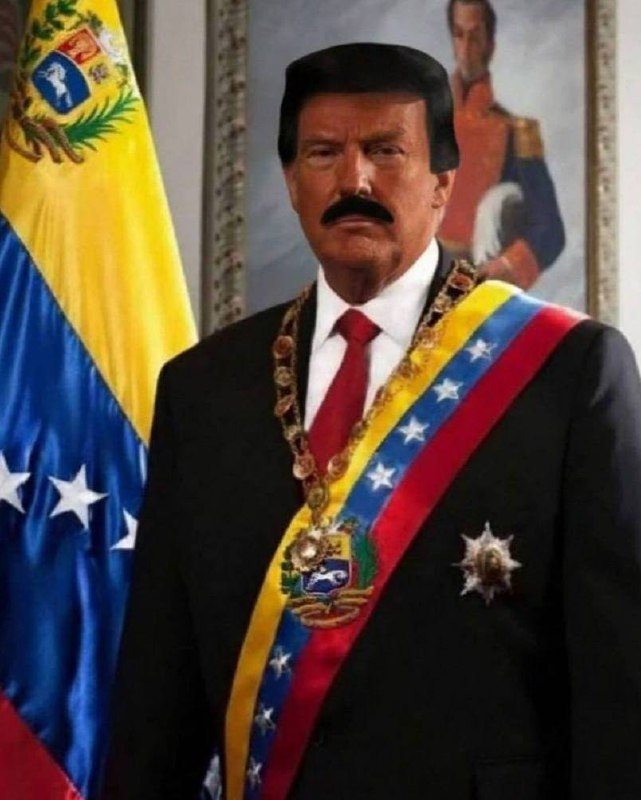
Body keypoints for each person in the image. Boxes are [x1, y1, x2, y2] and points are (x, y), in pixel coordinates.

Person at [102, 43, 641, 800]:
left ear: (442, 184)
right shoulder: (202, 388)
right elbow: (158, 696)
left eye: (386, 151)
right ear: (292, 182)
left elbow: (620, 689)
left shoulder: (568, 371)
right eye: (324, 153)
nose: (353, 180)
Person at [438, 0, 566, 289]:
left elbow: (550, 230)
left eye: (475, 36)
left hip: (480, 285)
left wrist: (504, 268)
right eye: (459, 35)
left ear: (491, 45)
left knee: (499, 200)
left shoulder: (515, 132)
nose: (466, 47)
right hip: (423, 281)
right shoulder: (424, 123)